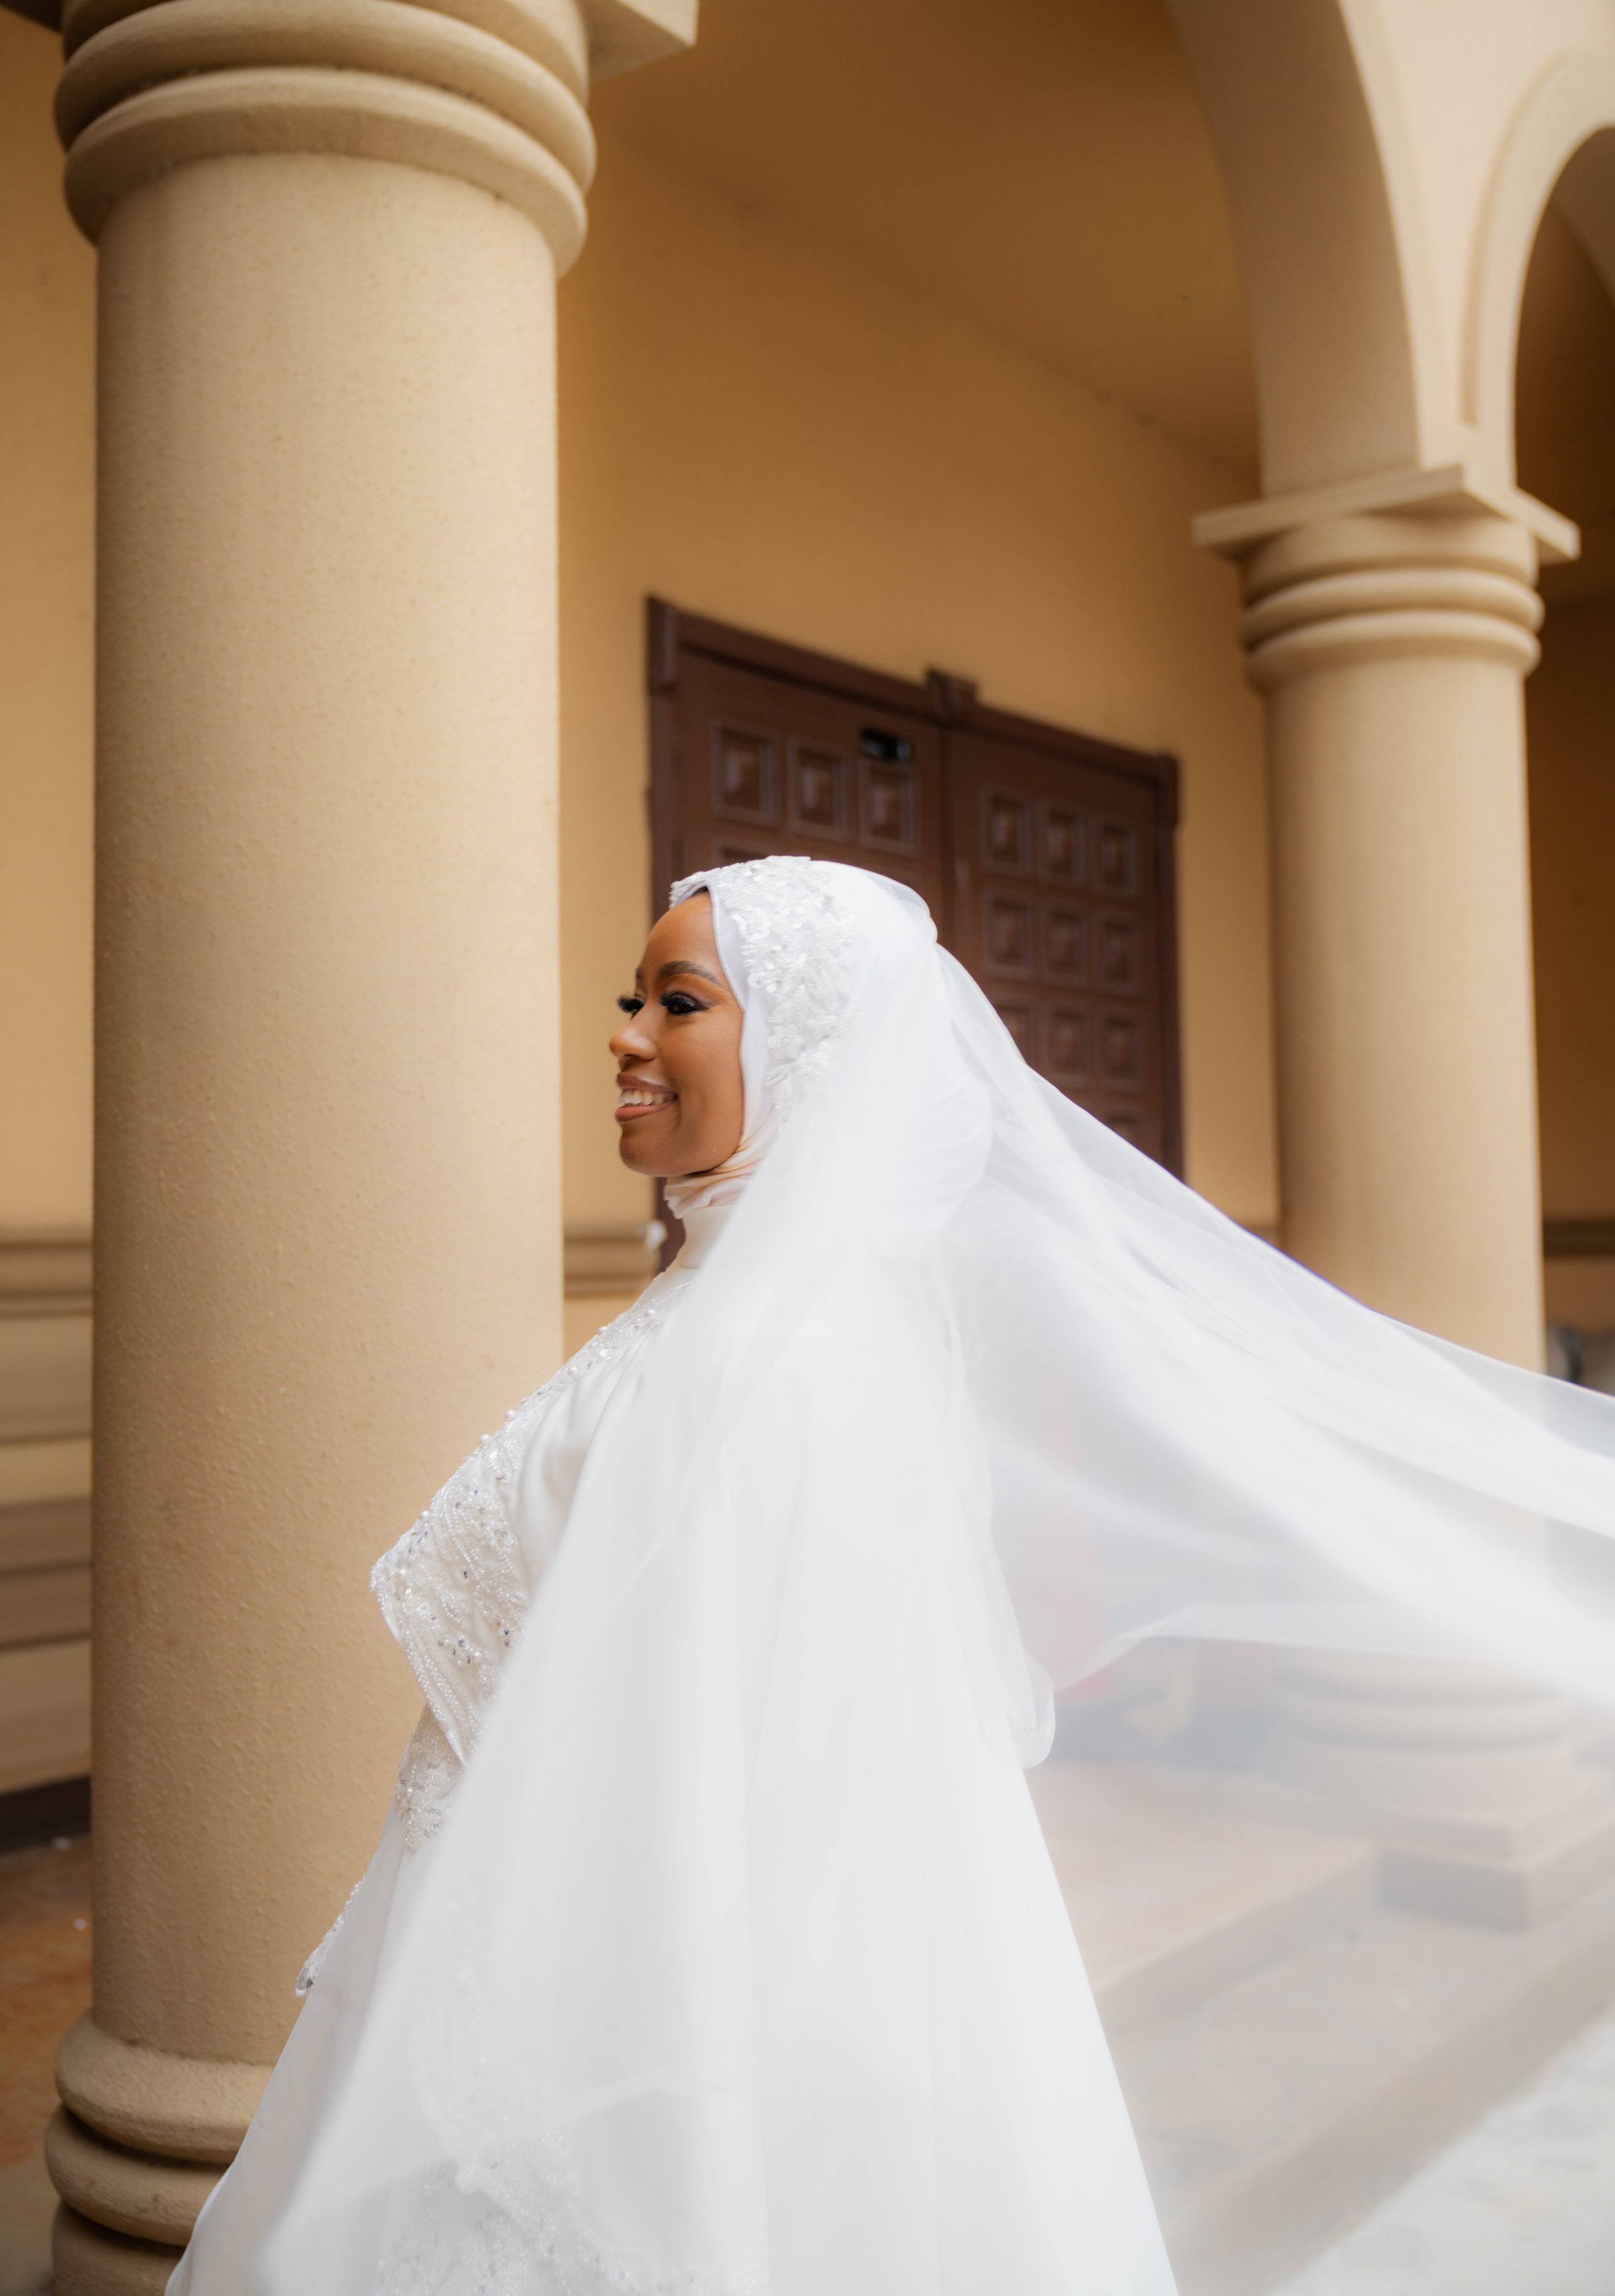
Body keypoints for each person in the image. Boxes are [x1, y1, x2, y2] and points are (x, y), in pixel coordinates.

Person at [171, 855, 1615, 2296]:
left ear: (806, 1055)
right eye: (634, 999)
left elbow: (747, 1783)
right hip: (511, 1942)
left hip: (610, 1990)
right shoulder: (730, 1314)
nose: (622, 1034)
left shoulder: (782, 1363)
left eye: (679, 1002)